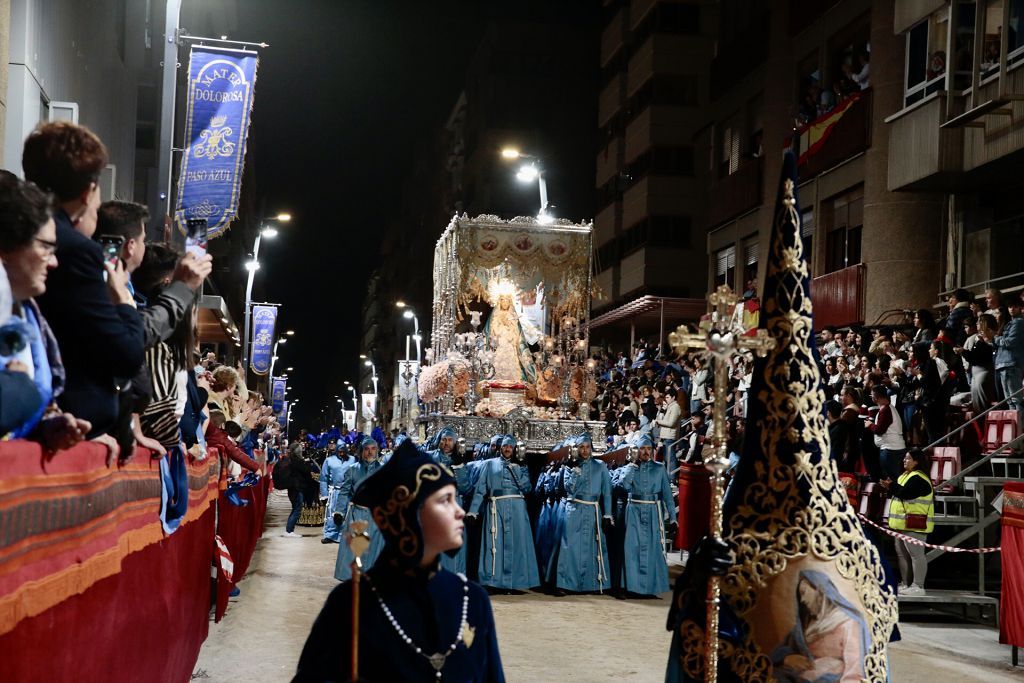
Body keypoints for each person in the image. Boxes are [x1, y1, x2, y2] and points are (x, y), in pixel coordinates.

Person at [294, 439, 504, 682]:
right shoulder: (352, 603)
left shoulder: (473, 600)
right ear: (408, 515)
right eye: (444, 500)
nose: (459, 510)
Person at [24, 122, 145, 441]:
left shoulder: (34, 231)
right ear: (88, 191)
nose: (50, 260)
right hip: (68, 421)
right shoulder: (78, 251)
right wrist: (123, 302)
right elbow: (126, 355)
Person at [0, 174, 92, 449]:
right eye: (46, 247)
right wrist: (18, 389)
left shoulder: (28, 310)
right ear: (6, 246)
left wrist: (48, 426)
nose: (53, 262)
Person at [466, 434, 538, 592]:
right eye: (505, 446)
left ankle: (516, 582)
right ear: (500, 448)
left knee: (517, 543)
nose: (507, 449)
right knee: (494, 543)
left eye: (510, 447)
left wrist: (518, 470)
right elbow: (480, 490)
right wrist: (473, 511)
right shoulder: (489, 464)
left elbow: (527, 489)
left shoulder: (520, 467)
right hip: (496, 506)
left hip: (517, 508)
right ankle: (493, 581)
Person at [770, 569, 870, 681]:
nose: (802, 600)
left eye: (804, 592)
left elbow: (854, 672)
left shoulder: (848, 623)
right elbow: (782, 650)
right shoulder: (807, 625)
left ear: (819, 590)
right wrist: (786, 658)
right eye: (800, 595)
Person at [613, 433, 676, 597]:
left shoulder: (659, 468)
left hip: (653, 511)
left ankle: (649, 588)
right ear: (637, 451)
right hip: (633, 510)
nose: (646, 452)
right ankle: (630, 587)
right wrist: (632, 467)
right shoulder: (629, 468)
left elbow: (668, 495)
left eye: (649, 449)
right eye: (642, 449)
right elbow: (623, 486)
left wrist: (674, 518)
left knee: (652, 549)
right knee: (631, 549)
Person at [551, 432, 613, 595]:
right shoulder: (569, 467)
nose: (585, 451)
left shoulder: (601, 466)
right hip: (574, 509)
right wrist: (574, 471)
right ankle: (565, 583)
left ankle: (593, 584)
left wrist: (608, 514)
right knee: (569, 546)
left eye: (587, 447)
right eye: (581, 448)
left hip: (593, 509)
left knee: (594, 546)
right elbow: (569, 489)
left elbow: (607, 492)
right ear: (577, 449)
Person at [880, 449, 934, 595]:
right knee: (902, 554)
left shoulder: (919, 478)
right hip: (902, 524)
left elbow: (906, 493)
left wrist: (891, 486)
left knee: (916, 555)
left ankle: (918, 586)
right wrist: (890, 486)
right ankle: (906, 583)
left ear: (917, 461)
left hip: (915, 524)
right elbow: (899, 493)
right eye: (904, 458)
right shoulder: (905, 475)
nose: (904, 461)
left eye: (908, 458)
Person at [334, 436, 386, 579]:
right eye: (366, 449)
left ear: (377, 451)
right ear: (361, 451)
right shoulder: (352, 470)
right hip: (356, 515)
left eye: (373, 449)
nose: (370, 452)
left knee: (373, 549)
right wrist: (339, 512)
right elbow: (344, 493)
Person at [429, 425, 473, 575]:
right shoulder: (429, 457)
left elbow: (465, 488)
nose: (447, 443)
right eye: (444, 439)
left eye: (450, 440)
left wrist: (459, 467)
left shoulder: (459, 462)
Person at [864, 385, 905, 482]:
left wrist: (870, 425)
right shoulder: (888, 409)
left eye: (872, 395)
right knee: (893, 478)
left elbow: (879, 430)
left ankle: (897, 496)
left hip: (891, 450)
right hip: (892, 448)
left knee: (893, 479)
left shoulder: (886, 410)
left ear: (875, 397)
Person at [318, 438, 353, 544]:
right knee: (332, 513)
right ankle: (330, 534)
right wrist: (324, 495)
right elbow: (323, 478)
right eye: (340, 451)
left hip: (347, 492)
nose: (342, 453)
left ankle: (344, 535)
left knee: (346, 513)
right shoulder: (329, 460)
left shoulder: (352, 460)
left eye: (343, 451)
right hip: (334, 492)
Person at [284, 439, 314, 538]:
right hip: (297, 488)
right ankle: (289, 531)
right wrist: (308, 463)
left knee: (295, 508)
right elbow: (306, 471)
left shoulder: (290, 460)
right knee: (297, 509)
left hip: (292, 488)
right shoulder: (298, 461)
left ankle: (289, 530)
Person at [655, 388, 685, 471]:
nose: (666, 399)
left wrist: (658, 422)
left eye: (668, 397)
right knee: (667, 459)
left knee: (671, 459)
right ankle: (669, 479)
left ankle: (672, 480)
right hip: (666, 436)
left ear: (673, 397)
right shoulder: (670, 407)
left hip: (670, 436)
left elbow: (671, 423)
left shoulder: (675, 407)